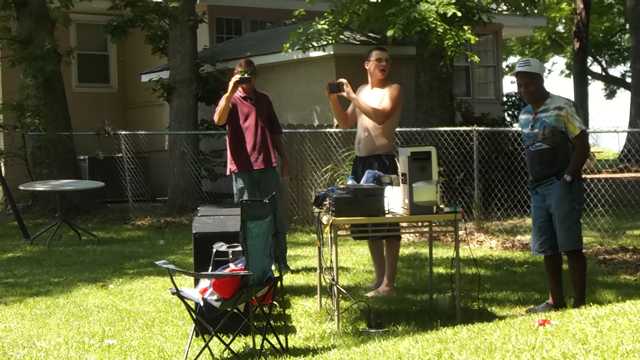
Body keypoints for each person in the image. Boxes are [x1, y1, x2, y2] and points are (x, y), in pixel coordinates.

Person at [512, 57, 590, 313]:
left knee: (570, 245)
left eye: (529, 84)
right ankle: (556, 301)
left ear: (540, 81)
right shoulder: (524, 115)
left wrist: (567, 177)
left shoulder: (562, 107)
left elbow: (582, 146)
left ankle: (580, 302)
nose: (524, 90)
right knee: (547, 247)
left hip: (561, 184)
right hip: (537, 188)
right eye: (520, 85)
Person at [325, 46, 403, 297]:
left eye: (388, 61)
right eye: (379, 60)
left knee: (388, 223)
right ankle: (379, 278)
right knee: (370, 223)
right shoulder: (360, 90)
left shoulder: (394, 89)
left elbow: (380, 117)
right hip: (360, 164)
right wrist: (334, 99)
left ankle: (389, 284)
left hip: (382, 163)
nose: (384, 64)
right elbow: (346, 123)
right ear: (367, 65)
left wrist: (353, 97)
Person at [213, 58, 292, 273]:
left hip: (267, 165)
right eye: (241, 74)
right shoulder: (230, 99)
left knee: (275, 216)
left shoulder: (265, 100)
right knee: (246, 220)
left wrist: (284, 160)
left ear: (256, 75)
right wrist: (230, 90)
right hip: (242, 169)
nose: (246, 78)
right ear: (235, 75)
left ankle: (280, 262)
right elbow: (219, 121)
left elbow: (275, 133)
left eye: (249, 73)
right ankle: (247, 262)